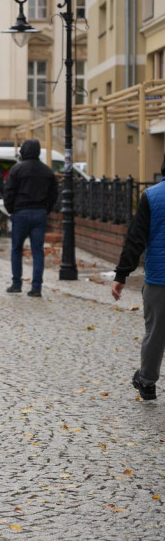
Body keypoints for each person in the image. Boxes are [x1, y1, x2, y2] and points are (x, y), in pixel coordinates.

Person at [112, 154, 165, 401]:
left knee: (155, 333)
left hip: (159, 278)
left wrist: (122, 274)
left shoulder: (152, 196)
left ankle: (146, 382)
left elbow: (136, 239)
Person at [4, 139, 59, 297]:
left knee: (16, 249)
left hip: (20, 213)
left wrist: (11, 210)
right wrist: (46, 209)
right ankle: (36, 287)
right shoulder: (47, 171)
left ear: (24, 152)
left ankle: (16, 283)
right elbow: (54, 193)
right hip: (39, 213)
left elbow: (9, 192)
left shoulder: (17, 170)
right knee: (37, 251)